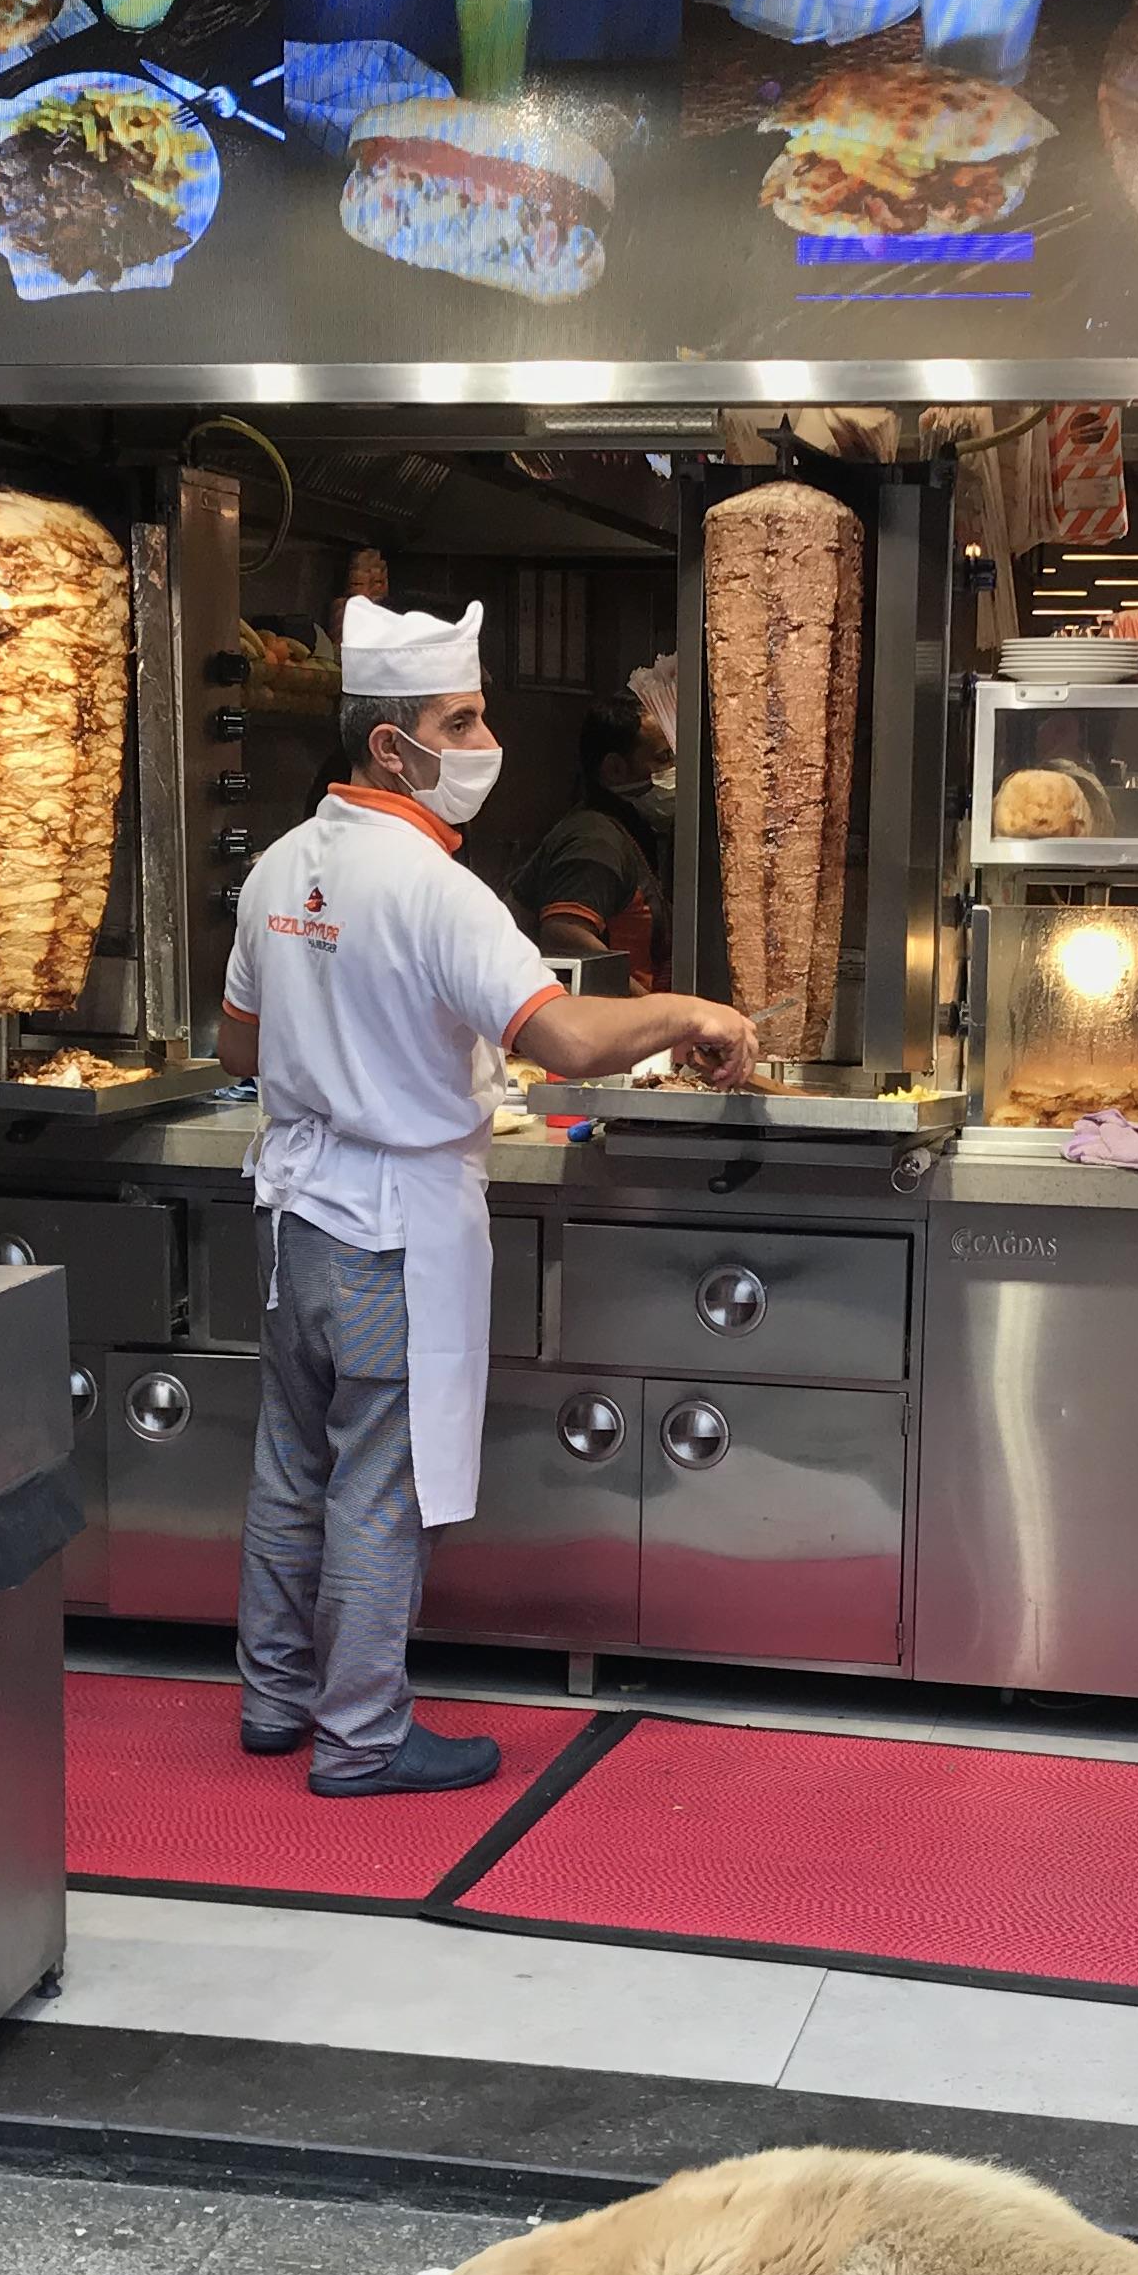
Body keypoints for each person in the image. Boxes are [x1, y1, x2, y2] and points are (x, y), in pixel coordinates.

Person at [217, 597, 757, 1794]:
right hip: (391, 1232)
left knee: (291, 1463)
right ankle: (360, 1737)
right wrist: (691, 1011)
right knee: (375, 1481)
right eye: (457, 721)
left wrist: (340, 1054)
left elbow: (236, 1048)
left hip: (298, 1218)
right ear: (389, 746)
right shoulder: (433, 890)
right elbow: (562, 1038)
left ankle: (273, 1703)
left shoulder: (275, 869)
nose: (479, 742)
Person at [510, 684, 672, 988]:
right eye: (663, 758)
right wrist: (656, 1013)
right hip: (616, 1025)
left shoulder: (630, 828)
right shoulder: (594, 839)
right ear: (614, 769)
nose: (675, 770)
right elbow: (564, 935)